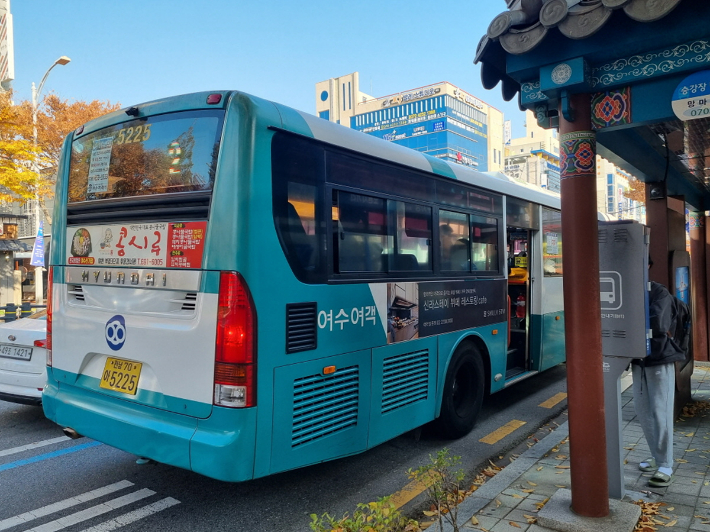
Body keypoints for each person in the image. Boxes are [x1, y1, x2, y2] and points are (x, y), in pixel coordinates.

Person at [632, 257, 688, 488]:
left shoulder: (658, 291)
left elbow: (658, 323)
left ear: (646, 265)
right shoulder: (628, 290)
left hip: (659, 359)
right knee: (643, 411)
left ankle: (666, 463)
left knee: (660, 412)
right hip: (638, 361)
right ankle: (656, 458)